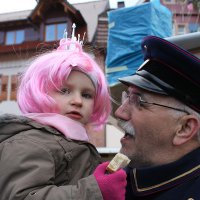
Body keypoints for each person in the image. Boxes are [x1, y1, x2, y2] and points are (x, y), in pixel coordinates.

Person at [0, 26, 126, 200]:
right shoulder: (29, 141)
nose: (78, 101)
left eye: (87, 94)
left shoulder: (74, 140)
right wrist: (95, 190)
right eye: (64, 91)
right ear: (40, 92)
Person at [114, 35, 200, 199]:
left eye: (138, 101)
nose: (120, 113)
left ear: (184, 128)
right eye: (127, 97)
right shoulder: (118, 178)